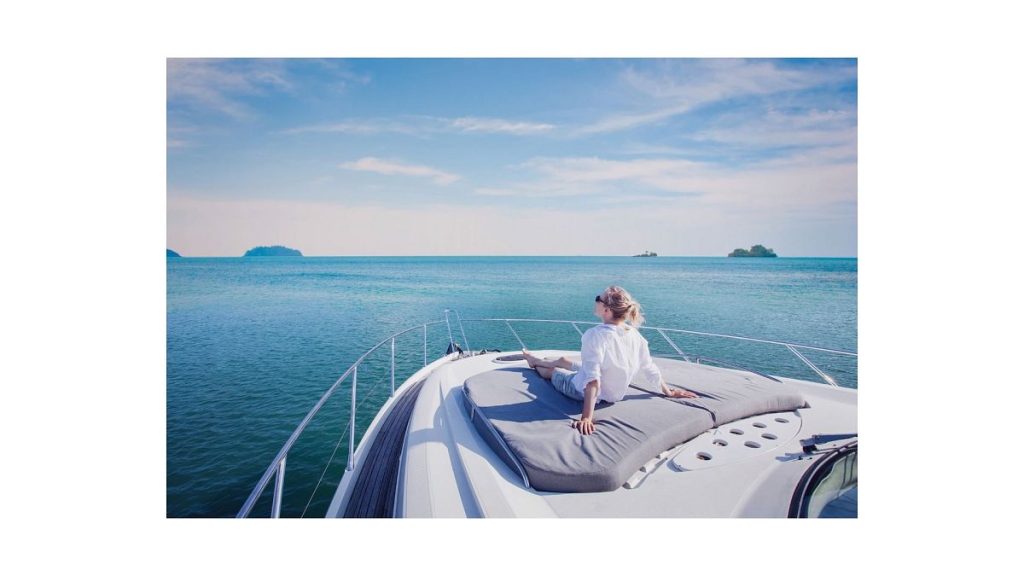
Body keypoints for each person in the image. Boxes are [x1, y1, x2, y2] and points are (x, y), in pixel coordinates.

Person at [522, 285, 698, 436]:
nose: (596, 300)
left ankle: (535, 363)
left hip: (580, 390)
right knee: (566, 361)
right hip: (612, 392)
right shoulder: (634, 335)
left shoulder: (595, 336)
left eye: (598, 298)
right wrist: (668, 392)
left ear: (606, 310)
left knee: (552, 373)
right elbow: (649, 367)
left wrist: (586, 417)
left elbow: (593, 380)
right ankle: (553, 360)